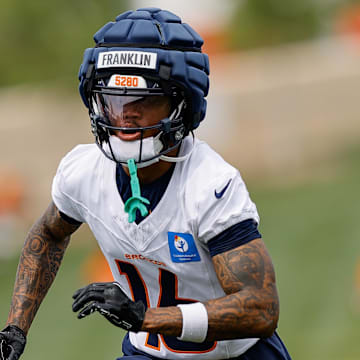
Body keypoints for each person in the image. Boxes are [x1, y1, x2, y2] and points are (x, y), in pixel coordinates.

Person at [0, 7, 291, 360]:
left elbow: (261, 308)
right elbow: (48, 233)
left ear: (181, 104)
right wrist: (16, 327)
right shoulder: (83, 172)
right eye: (113, 99)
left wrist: (145, 317)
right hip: (147, 354)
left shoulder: (209, 184)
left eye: (146, 100)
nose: (125, 115)